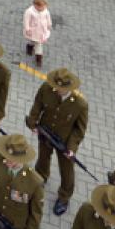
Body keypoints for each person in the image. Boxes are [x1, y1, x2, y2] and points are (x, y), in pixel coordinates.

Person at [25, 67, 88, 217]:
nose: (58, 89)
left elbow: (79, 130)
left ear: (69, 88)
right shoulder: (47, 89)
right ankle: (41, 177)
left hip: (64, 142)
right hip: (46, 131)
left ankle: (64, 196)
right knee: (43, 158)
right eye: (56, 86)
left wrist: (71, 148)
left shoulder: (80, 104)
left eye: (62, 88)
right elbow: (37, 105)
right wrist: (33, 122)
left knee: (67, 170)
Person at [22, 0, 52, 68]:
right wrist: (27, 29)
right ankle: (29, 47)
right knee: (32, 41)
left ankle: (39, 58)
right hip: (33, 31)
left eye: (44, 6)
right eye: (42, 6)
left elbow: (48, 17)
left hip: (42, 31)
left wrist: (49, 24)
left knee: (39, 44)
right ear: (36, 6)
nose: (44, 8)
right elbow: (26, 21)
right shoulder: (29, 11)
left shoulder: (45, 10)